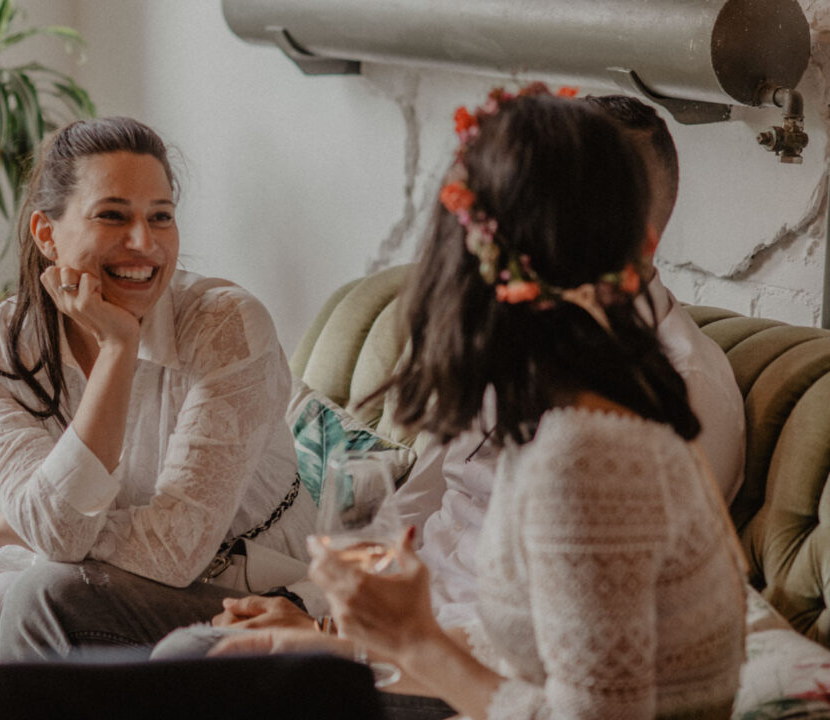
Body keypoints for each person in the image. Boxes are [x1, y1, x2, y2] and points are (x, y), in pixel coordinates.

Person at [209, 87, 747, 718]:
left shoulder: (598, 450)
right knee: (196, 662)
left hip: (460, 679)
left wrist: (381, 642)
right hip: (446, 656)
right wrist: (334, 626)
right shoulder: (553, 384)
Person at [0, 116, 315, 673]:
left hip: (251, 591)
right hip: (109, 573)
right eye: (113, 216)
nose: (144, 243)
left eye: (160, 217)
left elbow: (172, 551)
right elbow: (60, 532)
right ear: (47, 235)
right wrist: (119, 350)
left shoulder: (226, 326)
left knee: (43, 594)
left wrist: (10, 523)